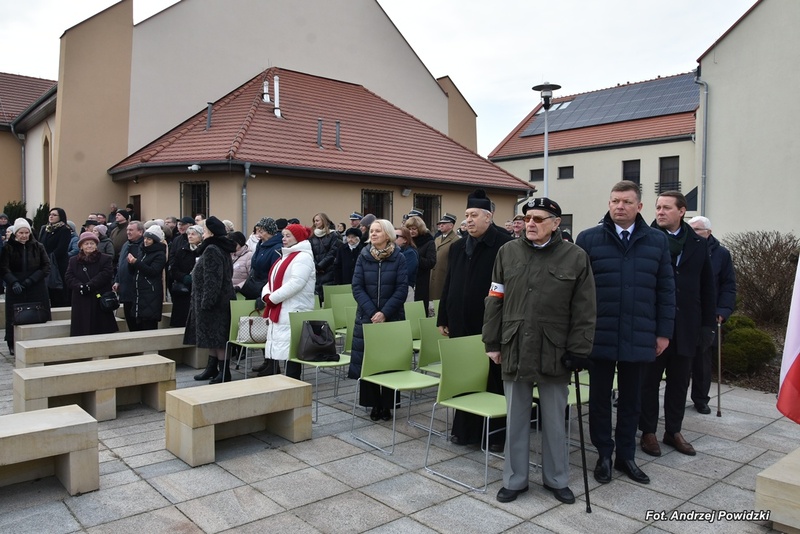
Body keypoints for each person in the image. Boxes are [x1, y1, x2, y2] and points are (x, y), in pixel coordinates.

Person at [484, 197, 596, 504]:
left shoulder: (575, 257)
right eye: (527, 218)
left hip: (555, 350)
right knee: (516, 419)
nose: (531, 224)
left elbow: (585, 309)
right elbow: (495, 298)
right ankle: (514, 480)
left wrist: (579, 349)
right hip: (515, 345)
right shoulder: (507, 252)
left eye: (539, 219)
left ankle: (556, 479)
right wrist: (492, 342)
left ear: (556, 223)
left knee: (555, 422)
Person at [575, 180, 675, 485]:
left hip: (640, 332)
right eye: (615, 200)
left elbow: (666, 289)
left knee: (633, 399)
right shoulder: (589, 239)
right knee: (600, 399)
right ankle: (603, 454)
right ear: (608, 203)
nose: (620, 206)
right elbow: (576, 290)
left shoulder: (656, 241)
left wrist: (663, 333)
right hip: (600, 333)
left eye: (627, 202)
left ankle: (626, 456)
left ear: (639, 206)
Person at [639, 192, 715, 457]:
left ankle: (673, 430)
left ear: (682, 211)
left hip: (686, 326)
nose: (660, 212)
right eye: (658, 207)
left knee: (679, 382)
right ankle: (647, 431)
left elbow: (707, 286)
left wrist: (708, 325)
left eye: (666, 208)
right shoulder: (645, 239)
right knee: (648, 381)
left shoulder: (697, 242)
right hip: (653, 325)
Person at [437, 189, 512, 450]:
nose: (468, 220)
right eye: (466, 215)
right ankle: (465, 430)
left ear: (488, 217)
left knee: (493, 377)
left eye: (474, 215)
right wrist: (443, 316)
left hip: (489, 323)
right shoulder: (458, 246)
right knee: (466, 375)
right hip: (459, 321)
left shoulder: (504, 243)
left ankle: (494, 435)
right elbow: (449, 282)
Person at [349, 218, 408, 421]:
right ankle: (373, 403)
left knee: (391, 361)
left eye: (377, 231)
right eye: (371, 231)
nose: (372, 234)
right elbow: (357, 286)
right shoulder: (363, 256)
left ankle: (388, 405)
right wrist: (373, 311)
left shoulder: (399, 257)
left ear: (388, 234)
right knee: (370, 360)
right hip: (368, 316)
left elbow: (402, 288)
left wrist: (385, 312)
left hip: (392, 317)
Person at [688, 215, 737, 414]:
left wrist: (722, 311)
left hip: (707, 314)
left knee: (702, 361)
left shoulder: (721, 254)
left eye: (697, 230)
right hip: (686, 311)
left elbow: (728, 286)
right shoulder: (686, 248)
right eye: (690, 229)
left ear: (708, 232)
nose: (693, 233)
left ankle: (700, 399)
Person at [185, 217, 236, 383]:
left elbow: (212, 279)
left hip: (215, 302)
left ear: (211, 232)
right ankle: (212, 368)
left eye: (204, 230)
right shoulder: (217, 247)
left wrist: (207, 302)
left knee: (219, 338)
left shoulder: (212, 249)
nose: (203, 233)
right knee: (212, 337)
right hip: (217, 300)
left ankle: (224, 372)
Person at [261, 223, 316, 378]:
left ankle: (293, 383)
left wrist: (272, 298)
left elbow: (296, 283)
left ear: (297, 238)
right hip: (283, 306)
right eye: (283, 235)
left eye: (288, 235)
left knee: (292, 350)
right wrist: (266, 295)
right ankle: (283, 382)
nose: (283, 239)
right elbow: (271, 280)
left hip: (295, 308)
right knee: (285, 348)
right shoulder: (285, 255)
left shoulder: (303, 257)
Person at [1, 219, 52, 354]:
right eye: (21, 232)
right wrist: (13, 282)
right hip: (16, 286)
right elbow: (3, 268)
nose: (24, 235)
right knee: (14, 315)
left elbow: (46, 266)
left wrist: (31, 280)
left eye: (26, 232)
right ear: (15, 233)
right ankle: (12, 342)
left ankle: (39, 339)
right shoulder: (8, 247)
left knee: (38, 312)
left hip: (35, 285)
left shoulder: (38, 246)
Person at [64, 232, 118, 336]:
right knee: (82, 328)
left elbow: (106, 274)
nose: (89, 246)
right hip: (81, 298)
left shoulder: (105, 259)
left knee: (101, 328)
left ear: (96, 245)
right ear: (81, 246)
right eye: (86, 243)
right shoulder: (73, 261)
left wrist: (90, 285)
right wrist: (80, 286)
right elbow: (69, 276)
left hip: (98, 297)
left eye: (92, 243)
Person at [125, 225, 167, 331]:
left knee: (149, 324)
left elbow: (153, 271)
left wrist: (136, 262)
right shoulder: (142, 251)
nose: (146, 241)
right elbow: (135, 271)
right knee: (138, 324)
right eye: (145, 238)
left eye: (149, 239)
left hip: (151, 293)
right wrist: (131, 263)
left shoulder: (160, 254)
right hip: (139, 293)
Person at [113, 221, 145, 331]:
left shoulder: (143, 246)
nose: (128, 232)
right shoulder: (126, 244)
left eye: (131, 230)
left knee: (137, 323)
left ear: (140, 232)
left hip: (137, 291)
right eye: (127, 230)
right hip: (125, 289)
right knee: (129, 320)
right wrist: (117, 281)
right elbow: (120, 265)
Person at [169, 225, 202, 327]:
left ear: (201, 236)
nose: (190, 236)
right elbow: (174, 269)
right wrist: (183, 277)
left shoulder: (204, 251)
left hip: (198, 290)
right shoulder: (182, 250)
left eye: (193, 234)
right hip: (183, 291)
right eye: (189, 234)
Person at [38, 207, 72, 307]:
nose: (51, 216)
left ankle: (61, 306)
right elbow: (40, 244)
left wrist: (48, 259)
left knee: (58, 288)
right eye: (50, 214)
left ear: (60, 217)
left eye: (54, 215)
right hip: (46, 263)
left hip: (58, 264)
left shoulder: (64, 229)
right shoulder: (45, 228)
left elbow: (61, 248)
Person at [404, 216, 436, 313]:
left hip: (421, 282)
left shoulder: (428, 242)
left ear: (420, 228)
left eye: (414, 229)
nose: (411, 231)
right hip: (407, 281)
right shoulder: (406, 242)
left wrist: (415, 257)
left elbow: (431, 262)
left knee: (419, 310)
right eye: (409, 229)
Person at [309, 212, 342, 303]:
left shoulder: (333, 235)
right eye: (314, 221)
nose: (315, 223)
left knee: (328, 298)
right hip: (316, 272)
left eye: (317, 220)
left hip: (329, 270)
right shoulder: (312, 236)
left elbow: (333, 252)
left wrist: (321, 266)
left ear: (323, 221)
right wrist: (316, 266)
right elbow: (310, 252)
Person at [428, 213, 458, 305]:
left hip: (445, 277)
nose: (440, 225)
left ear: (451, 225)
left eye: (444, 223)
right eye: (440, 223)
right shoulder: (437, 239)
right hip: (433, 277)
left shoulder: (456, 240)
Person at [394, 226, 418, 301]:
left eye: (396, 236)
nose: (393, 239)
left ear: (405, 240)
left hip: (405, 289)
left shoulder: (410, 253)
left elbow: (405, 273)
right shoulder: (393, 252)